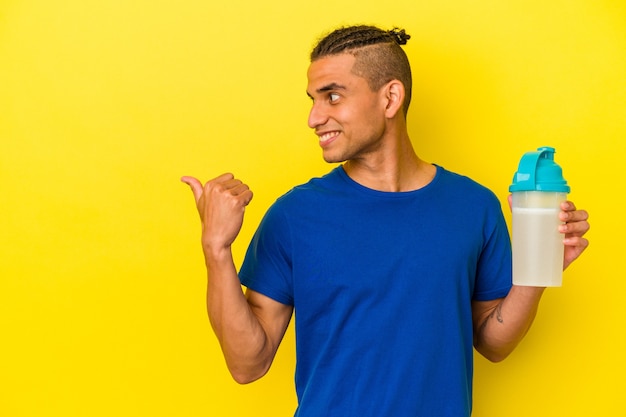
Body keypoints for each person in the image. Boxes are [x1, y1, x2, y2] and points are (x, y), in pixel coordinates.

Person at [182, 25, 590, 416]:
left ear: (390, 97)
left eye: (332, 97)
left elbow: (493, 343)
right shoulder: (295, 215)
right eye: (312, 99)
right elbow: (247, 364)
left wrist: (536, 273)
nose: (313, 117)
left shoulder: (474, 205)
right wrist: (215, 249)